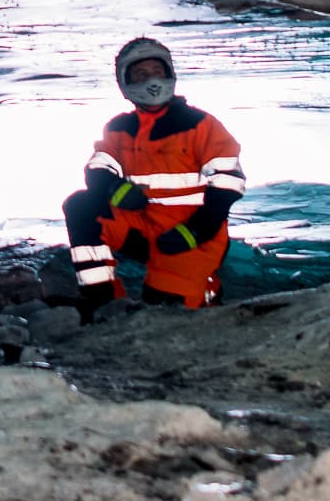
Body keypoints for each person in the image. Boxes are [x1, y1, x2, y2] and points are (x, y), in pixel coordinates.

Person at [61, 36, 246, 315]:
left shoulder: (201, 124)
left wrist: (194, 232)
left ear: (170, 74)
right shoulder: (119, 127)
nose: (151, 81)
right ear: (125, 82)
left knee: (166, 312)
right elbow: (97, 168)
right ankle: (103, 300)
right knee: (80, 206)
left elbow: (228, 185)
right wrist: (117, 190)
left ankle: (207, 291)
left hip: (191, 235)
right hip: (143, 226)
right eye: (141, 74)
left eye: (157, 72)